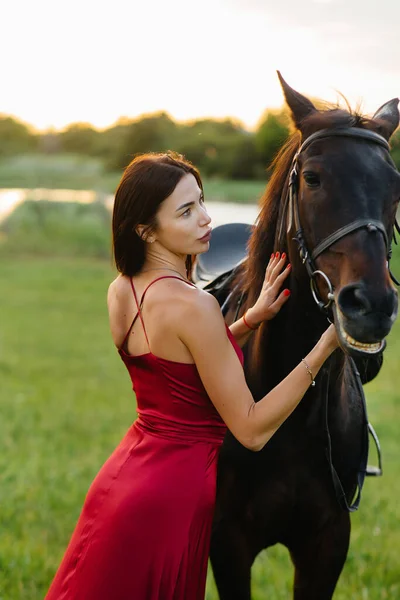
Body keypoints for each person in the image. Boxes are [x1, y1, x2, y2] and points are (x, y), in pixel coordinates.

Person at [45, 152, 338, 600]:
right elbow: (252, 427)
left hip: (124, 481)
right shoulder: (194, 306)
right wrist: (324, 347)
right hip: (173, 496)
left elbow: (178, 367)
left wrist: (247, 320)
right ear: (145, 229)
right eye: (186, 211)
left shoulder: (122, 290)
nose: (206, 219)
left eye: (201, 201)